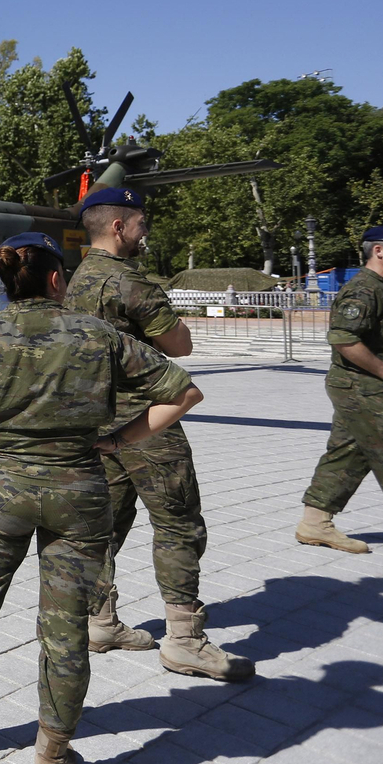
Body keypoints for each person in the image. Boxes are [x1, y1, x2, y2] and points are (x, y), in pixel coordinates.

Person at [0, 232, 202, 764]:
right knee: (65, 628)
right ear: (53, 278)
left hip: (0, 492)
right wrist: (118, 440)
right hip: (79, 495)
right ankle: (52, 752)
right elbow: (183, 392)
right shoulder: (100, 335)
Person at [64, 187, 251, 680]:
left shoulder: (77, 279)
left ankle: (98, 621)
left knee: (102, 524)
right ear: (119, 226)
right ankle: (185, 640)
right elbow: (180, 344)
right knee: (178, 522)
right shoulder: (131, 283)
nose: (147, 232)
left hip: (94, 418)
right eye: (142, 223)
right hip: (147, 420)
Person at [296, 224, 383, 571]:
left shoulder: (381, 288)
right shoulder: (363, 290)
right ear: (379, 251)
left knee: (349, 453)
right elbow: (343, 339)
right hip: (363, 387)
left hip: (365, 386)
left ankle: (314, 522)